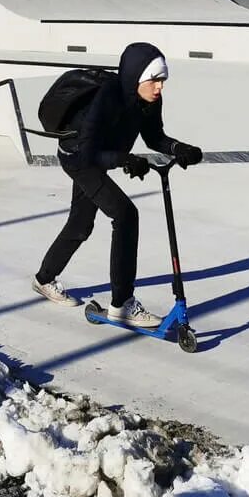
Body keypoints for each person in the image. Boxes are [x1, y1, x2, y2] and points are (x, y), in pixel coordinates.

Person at [32, 42, 204, 328]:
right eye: (154, 80)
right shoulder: (107, 97)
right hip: (78, 158)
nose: (159, 87)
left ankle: (43, 278)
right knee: (125, 214)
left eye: (162, 80)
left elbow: (154, 137)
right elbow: (88, 153)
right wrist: (124, 159)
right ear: (137, 76)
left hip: (100, 157)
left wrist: (179, 148)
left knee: (80, 224)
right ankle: (122, 304)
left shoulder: (149, 100)